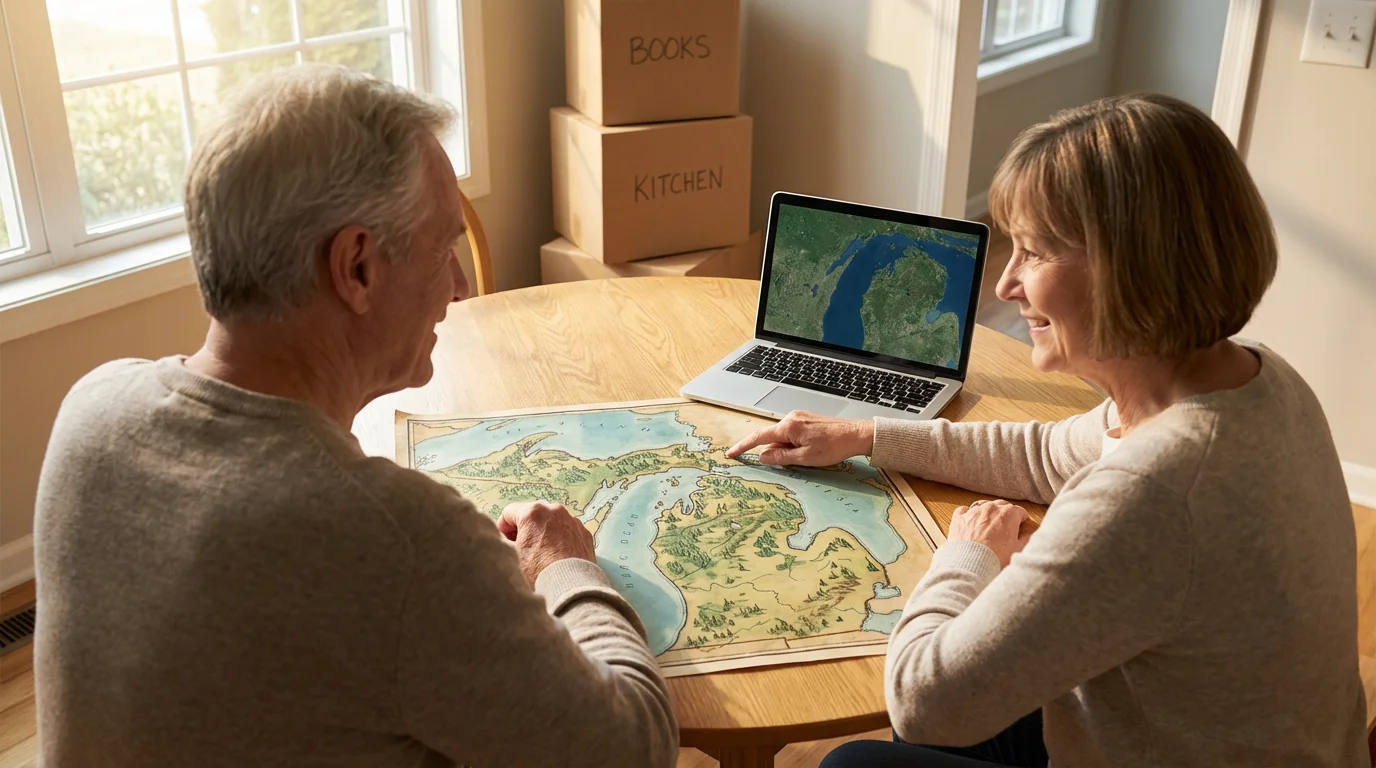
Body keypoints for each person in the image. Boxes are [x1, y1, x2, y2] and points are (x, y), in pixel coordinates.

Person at [33, 65, 677, 767]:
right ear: (358, 268)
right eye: (443, 248)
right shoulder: (403, 541)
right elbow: (632, 750)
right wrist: (566, 568)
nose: (459, 287)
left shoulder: (89, 412)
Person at [729, 94, 1368, 767]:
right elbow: (1043, 454)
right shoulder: (1257, 378)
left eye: (1032, 253)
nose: (1006, 285)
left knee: (852, 764)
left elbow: (922, 702)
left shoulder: (1153, 490)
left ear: (1132, 266)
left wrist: (969, 554)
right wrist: (865, 436)